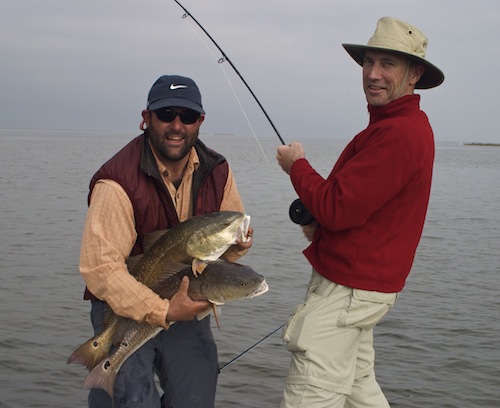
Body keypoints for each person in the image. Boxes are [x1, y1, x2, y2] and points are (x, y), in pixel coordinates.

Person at [276, 17, 444, 407]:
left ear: (414, 74)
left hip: (348, 291)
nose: (373, 74)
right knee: (358, 392)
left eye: (388, 64)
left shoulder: (400, 133)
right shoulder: (396, 127)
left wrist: (296, 165)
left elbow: (335, 208)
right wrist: (320, 222)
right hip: (362, 289)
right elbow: (350, 206)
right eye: (369, 62)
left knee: (310, 395)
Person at [79, 74, 253, 408]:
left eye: (187, 117)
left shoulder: (218, 170)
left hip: (187, 301)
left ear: (200, 121)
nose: (177, 126)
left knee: (197, 395)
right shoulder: (116, 182)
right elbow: (101, 270)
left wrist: (237, 245)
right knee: (129, 398)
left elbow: (227, 236)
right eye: (166, 115)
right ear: (146, 119)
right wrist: (162, 309)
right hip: (123, 304)